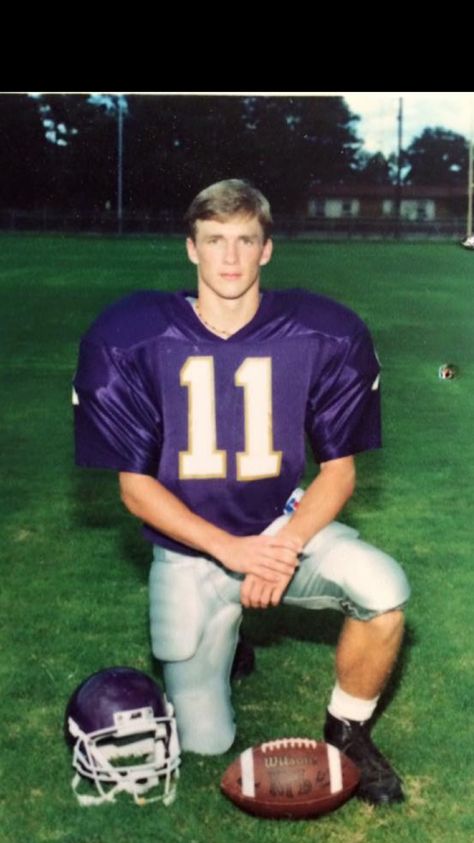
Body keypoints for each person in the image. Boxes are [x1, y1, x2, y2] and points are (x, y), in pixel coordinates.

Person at [73, 179, 410, 805]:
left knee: (385, 591)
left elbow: (338, 472)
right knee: (203, 742)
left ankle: (348, 731)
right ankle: (227, 640)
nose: (230, 257)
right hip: (190, 553)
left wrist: (280, 547)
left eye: (245, 240)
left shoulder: (321, 332)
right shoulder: (135, 336)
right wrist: (233, 552)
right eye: (215, 240)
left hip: (281, 533)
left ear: (267, 250)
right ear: (191, 249)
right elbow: (135, 489)